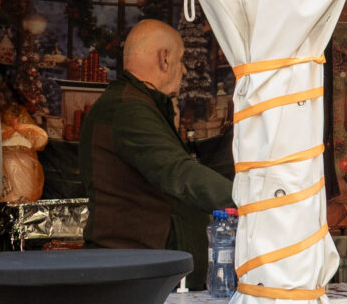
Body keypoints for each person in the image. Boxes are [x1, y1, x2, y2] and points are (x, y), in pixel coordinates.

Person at [76, 18, 233, 285]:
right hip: (133, 279)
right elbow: (178, 172)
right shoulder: (128, 108)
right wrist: (250, 200)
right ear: (164, 58)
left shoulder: (136, 104)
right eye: (181, 60)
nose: (184, 69)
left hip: (143, 274)